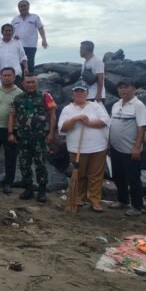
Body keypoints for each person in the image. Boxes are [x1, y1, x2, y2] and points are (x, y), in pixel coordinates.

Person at [58, 80, 110, 212]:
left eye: (82, 91)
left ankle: (95, 200)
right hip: (77, 148)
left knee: (95, 176)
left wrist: (89, 123)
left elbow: (105, 121)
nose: (79, 93)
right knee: (79, 174)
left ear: (87, 93)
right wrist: (75, 119)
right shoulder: (67, 109)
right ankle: (78, 197)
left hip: (98, 147)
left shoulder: (96, 106)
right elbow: (62, 128)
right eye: (77, 91)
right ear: (73, 93)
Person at [8, 74, 57, 202]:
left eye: (33, 82)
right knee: (24, 164)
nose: (30, 85)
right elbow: (12, 115)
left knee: (41, 164)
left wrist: (52, 133)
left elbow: (52, 115)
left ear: (37, 83)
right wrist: (10, 133)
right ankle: (28, 188)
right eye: (28, 82)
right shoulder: (17, 98)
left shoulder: (45, 96)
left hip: (40, 138)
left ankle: (42, 190)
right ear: (23, 84)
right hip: (23, 137)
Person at [108, 77, 146, 216]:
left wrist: (137, 148)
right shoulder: (116, 104)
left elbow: (142, 128)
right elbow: (112, 125)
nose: (123, 90)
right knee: (118, 176)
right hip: (115, 148)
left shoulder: (139, 106)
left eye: (126, 87)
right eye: (120, 87)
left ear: (134, 89)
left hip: (131, 150)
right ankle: (123, 201)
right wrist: (109, 143)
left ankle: (137, 206)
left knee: (133, 179)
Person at [11, 0, 48, 68]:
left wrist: (44, 40)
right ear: (18, 8)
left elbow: (40, 28)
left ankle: (30, 74)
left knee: (30, 65)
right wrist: (12, 38)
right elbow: (10, 32)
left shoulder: (35, 17)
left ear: (28, 7)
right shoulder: (15, 19)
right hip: (18, 46)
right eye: (21, 6)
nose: (23, 8)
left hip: (31, 46)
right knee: (19, 65)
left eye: (25, 6)